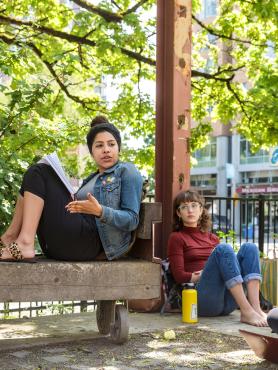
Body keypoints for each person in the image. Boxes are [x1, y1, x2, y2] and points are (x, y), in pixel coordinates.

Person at [0, 116, 143, 262]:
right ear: (92, 152)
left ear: (119, 147)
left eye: (111, 144)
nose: (106, 150)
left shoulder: (127, 171)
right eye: (99, 146)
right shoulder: (91, 179)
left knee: (39, 172)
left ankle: (23, 242)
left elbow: (132, 220)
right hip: (62, 242)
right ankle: (11, 237)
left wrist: (99, 211)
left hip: (91, 244)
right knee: (35, 174)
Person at [168, 189, 268, 327]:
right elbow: (178, 275)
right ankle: (246, 311)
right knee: (224, 249)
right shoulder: (177, 238)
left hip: (227, 303)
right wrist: (200, 275)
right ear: (179, 213)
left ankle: (256, 309)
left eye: (194, 205)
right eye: (184, 207)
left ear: (201, 209)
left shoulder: (212, 238)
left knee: (250, 248)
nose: (190, 210)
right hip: (202, 301)